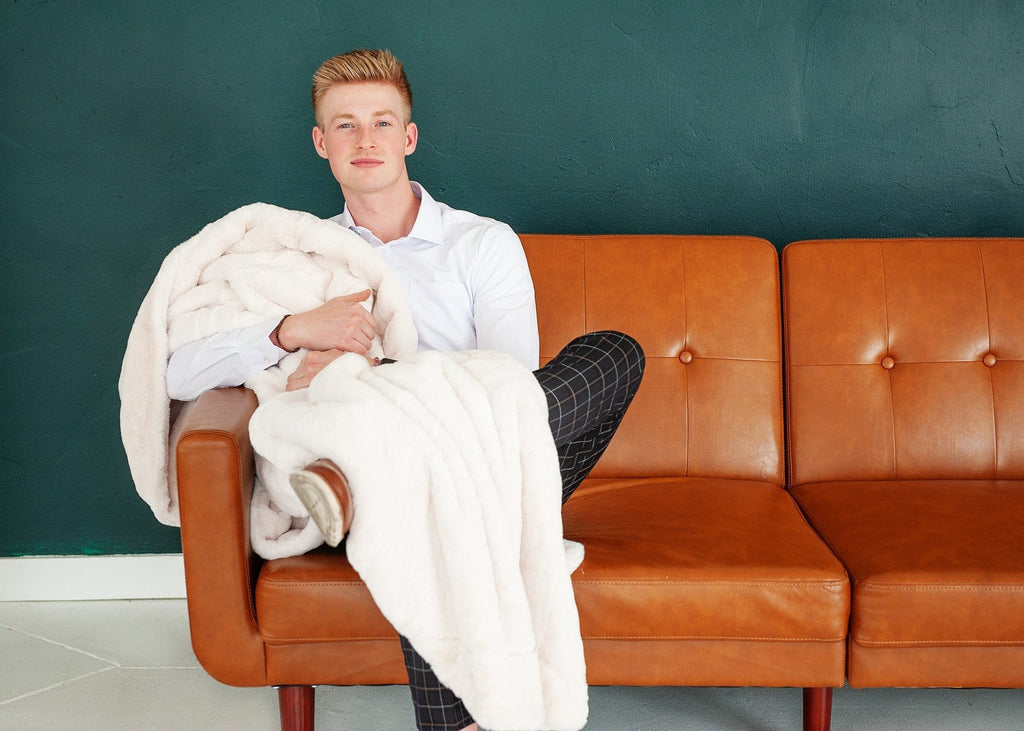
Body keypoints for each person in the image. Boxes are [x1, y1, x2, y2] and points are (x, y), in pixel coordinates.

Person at [166, 49, 644, 731]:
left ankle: (365, 486)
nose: (366, 141)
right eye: (347, 125)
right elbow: (179, 370)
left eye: (382, 123)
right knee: (427, 500)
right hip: (380, 463)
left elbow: (510, 391)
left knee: (615, 353)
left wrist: (386, 385)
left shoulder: (482, 244)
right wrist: (295, 330)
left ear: (408, 137)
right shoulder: (303, 260)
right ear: (321, 142)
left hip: (486, 454)